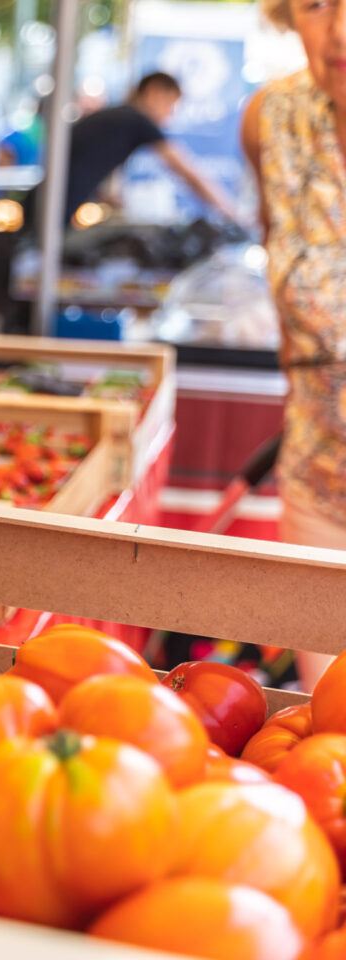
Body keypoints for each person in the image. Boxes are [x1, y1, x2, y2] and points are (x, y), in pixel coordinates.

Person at [242, 0, 346, 688]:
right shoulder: (271, 118)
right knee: (330, 721)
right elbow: (279, 249)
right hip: (321, 483)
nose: (339, 32)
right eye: (316, 3)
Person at [22, 73, 237, 229]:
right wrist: (233, 214)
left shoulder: (119, 117)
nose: (170, 115)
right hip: (48, 214)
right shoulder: (136, 120)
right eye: (171, 106)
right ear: (154, 92)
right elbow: (188, 172)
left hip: (44, 207)